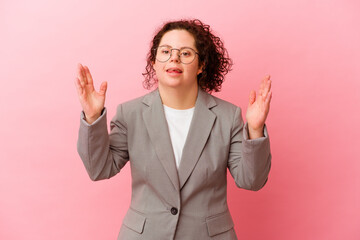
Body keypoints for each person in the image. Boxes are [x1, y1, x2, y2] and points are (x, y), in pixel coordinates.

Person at [75, 19, 272, 240]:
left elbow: (251, 180)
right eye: (166, 51)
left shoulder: (228, 116)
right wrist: (92, 117)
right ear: (154, 61)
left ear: (201, 65)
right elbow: (99, 169)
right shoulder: (130, 114)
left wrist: (254, 130)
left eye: (186, 53)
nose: (174, 58)